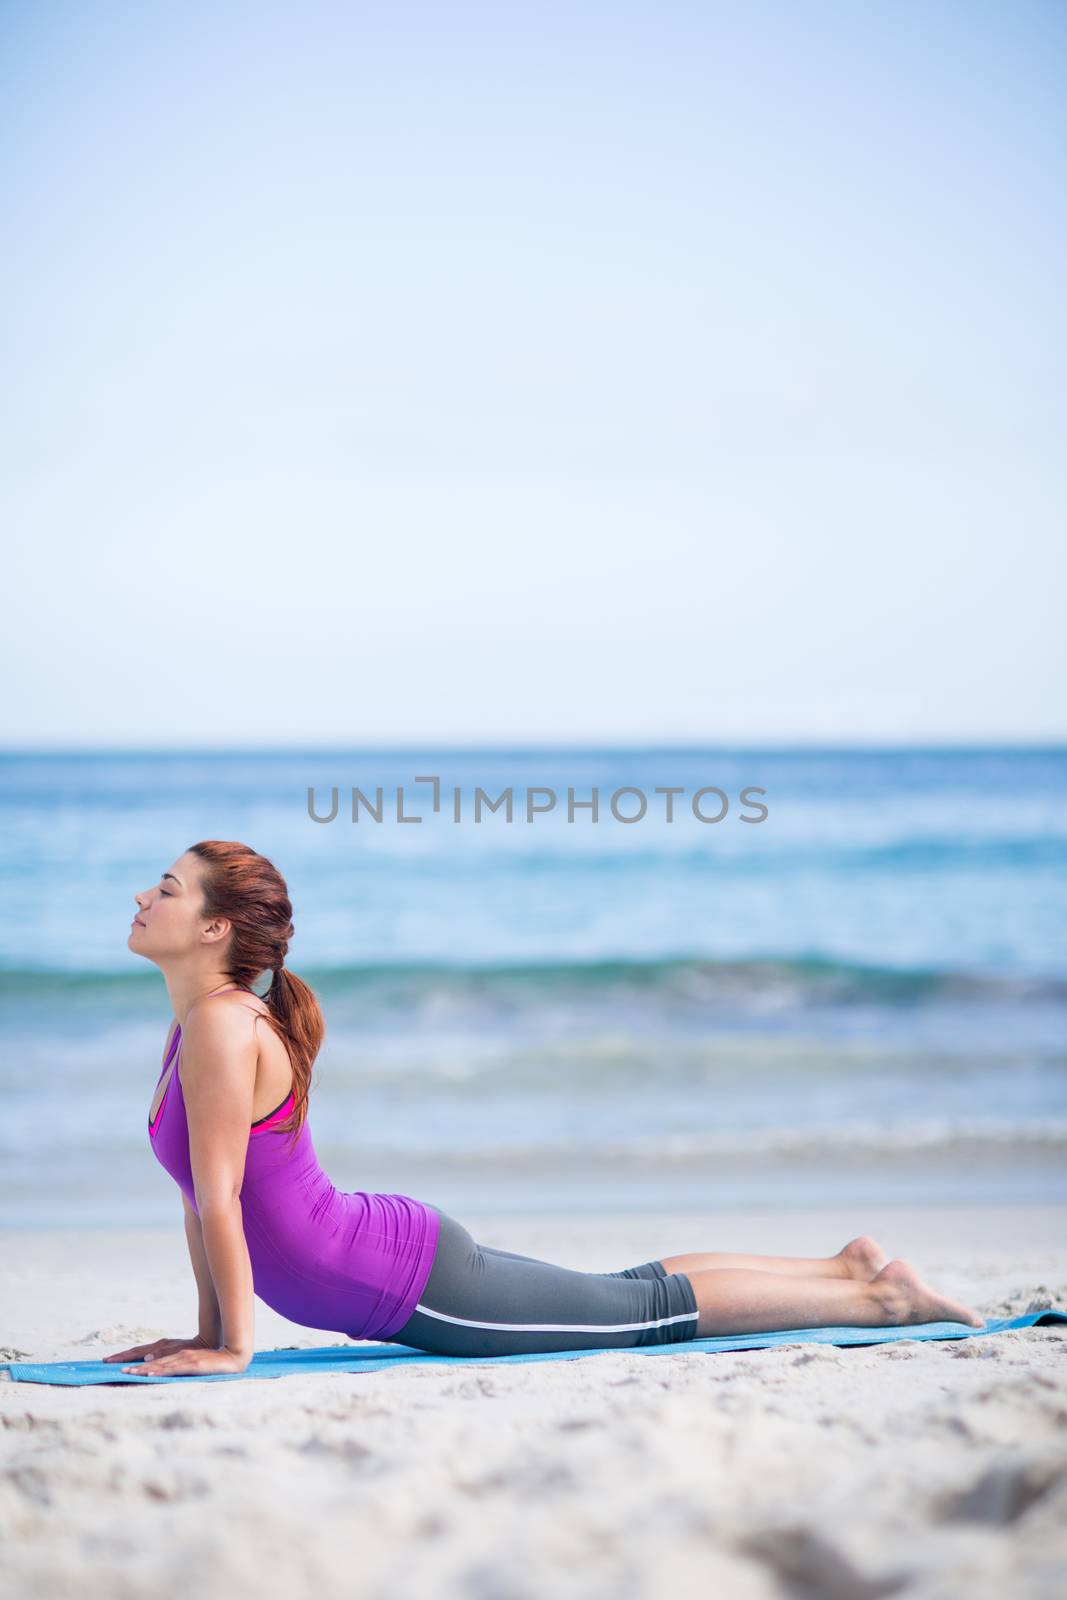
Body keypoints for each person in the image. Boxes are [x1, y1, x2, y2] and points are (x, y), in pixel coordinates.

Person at [105, 841, 985, 1378]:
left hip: (405, 1286)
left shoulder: (222, 1025)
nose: (146, 898)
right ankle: (845, 1268)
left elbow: (224, 1201)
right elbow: (199, 1197)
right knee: (622, 1292)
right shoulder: (195, 1026)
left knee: (641, 1318)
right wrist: (205, 1329)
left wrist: (233, 1348)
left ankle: (878, 1303)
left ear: (216, 929)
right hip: (382, 1252)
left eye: (168, 889)